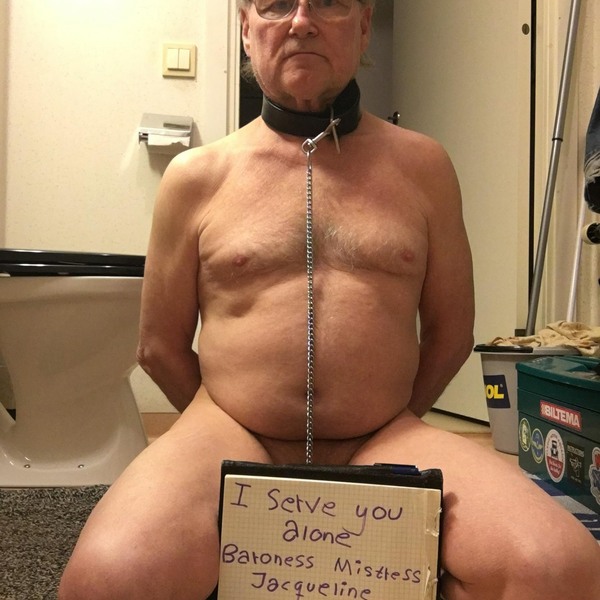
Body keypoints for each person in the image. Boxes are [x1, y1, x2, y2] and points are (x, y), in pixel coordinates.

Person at [59, 1, 600, 599]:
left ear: (364, 26)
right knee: (105, 580)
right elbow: (159, 345)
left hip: (384, 435)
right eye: (274, 4)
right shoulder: (194, 177)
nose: (301, 21)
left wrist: (389, 420)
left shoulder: (424, 167)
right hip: (229, 429)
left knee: (562, 567)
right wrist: (222, 435)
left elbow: (451, 332)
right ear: (245, 29)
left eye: (329, 2)